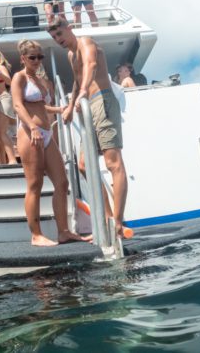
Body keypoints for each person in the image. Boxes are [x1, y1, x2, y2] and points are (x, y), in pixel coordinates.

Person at [47, 18, 128, 238]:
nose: (58, 40)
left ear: (69, 28)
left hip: (102, 99)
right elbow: (76, 81)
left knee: (113, 162)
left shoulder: (85, 42)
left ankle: (118, 223)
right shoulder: (71, 55)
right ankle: (109, 217)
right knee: (83, 165)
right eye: (54, 37)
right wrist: (71, 106)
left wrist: (83, 92)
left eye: (60, 34)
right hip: (87, 105)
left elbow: (91, 65)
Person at [12, 39, 87, 247]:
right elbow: (18, 105)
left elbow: (43, 107)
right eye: (32, 57)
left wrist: (61, 109)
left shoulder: (38, 80)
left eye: (40, 57)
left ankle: (63, 232)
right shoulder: (19, 77)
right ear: (23, 58)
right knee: (34, 184)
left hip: (46, 133)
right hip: (29, 133)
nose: (37, 61)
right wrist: (32, 127)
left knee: (62, 183)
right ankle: (36, 235)